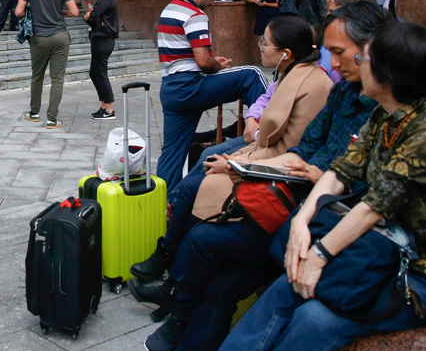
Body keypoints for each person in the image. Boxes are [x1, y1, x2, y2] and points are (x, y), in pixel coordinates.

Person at [163, 21, 426, 351]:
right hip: (385, 252)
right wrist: (303, 223)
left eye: (361, 56)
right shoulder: (388, 116)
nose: (345, 63)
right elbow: (340, 172)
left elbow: (374, 205)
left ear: (387, 74)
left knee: (318, 318)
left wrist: (320, 252)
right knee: (289, 278)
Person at [132, 1, 388, 351]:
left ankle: (182, 334)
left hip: (321, 231)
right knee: (212, 261)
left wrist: (253, 168)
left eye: (342, 54)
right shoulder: (345, 90)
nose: (335, 64)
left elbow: (344, 179)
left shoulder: (387, 112)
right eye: (332, 53)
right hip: (296, 212)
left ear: (376, 52)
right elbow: (310, 154)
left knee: (206, 240)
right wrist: (267, 167)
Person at [133, 15, 331, 298]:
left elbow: (292, 152)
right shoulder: (290, 74)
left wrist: (236, 164)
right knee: (197, 175)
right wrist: (250, 124)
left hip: (269, 171)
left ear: (286, 53)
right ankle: (171, 260)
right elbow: (265, 108)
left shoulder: (313, 84)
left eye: (265, 42)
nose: (260, 46)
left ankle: (174, 277)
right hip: (256, 156)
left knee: (201, 183)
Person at [156, 0, 267, 192]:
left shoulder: (170, 8)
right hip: (190, 85)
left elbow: (183, 54)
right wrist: (217, 64)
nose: (213, 2)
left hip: (171, 90)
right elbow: (204, 63)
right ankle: (265, 131)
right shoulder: (195, 14)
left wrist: (209, 60)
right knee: (251, 74)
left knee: (172, 153)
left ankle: (164, 205)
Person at [15, 0, 79, 129]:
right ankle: (52, 119)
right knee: (57, 79)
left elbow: (18, 12)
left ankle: (34, 113)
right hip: (60, 36)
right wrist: (61, 13)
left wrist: (32, 10)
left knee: (37, 76)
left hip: (39, 38)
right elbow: (74, 12)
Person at [83, 0, 120, 120]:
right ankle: (105, 106)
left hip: (103, 39)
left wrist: (87, 15)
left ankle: (109, 109)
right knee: (95, 73)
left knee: (100, 73)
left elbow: (92, 18)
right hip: (103, 38)